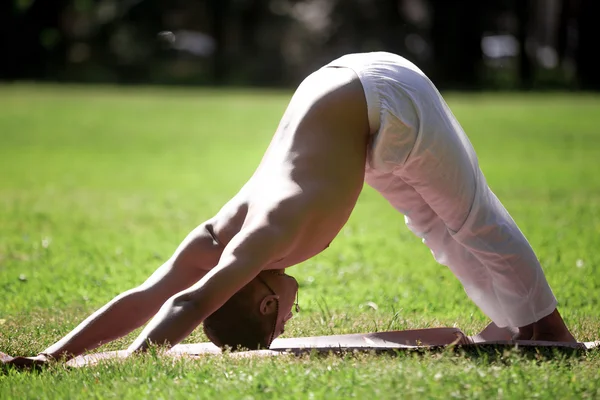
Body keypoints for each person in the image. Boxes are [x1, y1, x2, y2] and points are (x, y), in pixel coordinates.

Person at [2, 52, 575, 368]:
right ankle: (525, 321)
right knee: (433, 223)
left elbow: (185, 300)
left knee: (469, 216)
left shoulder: (263, 239)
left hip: (388, 93)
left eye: (278, 324)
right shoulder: (219, 237)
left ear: (269, 300)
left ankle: (549, 331)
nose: (290, 322)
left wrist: (131, 363)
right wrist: (52, 357)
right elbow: (148, 294)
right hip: (350, 109)